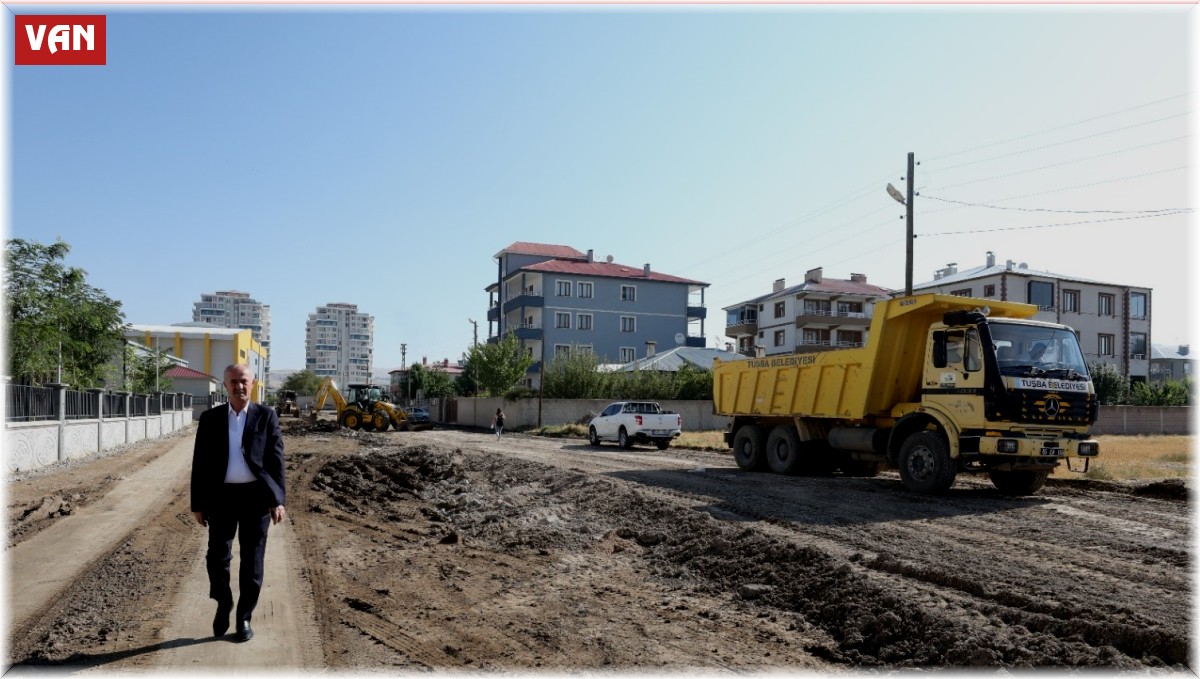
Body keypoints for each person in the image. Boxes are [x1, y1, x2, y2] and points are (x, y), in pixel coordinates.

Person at [191, 364, 286, 643]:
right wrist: (198, 503)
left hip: (256, 498)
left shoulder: (266, 416)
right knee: (216, 558)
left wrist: (277, 500)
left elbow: (276, 461)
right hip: (221, 498)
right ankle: (224, 601)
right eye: (233, 381)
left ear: (252, 384)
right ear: (225, 385)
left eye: (243, 381)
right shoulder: (210, 418)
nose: (238, 386)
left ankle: (244, 616)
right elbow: (200, 463)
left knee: (252, 561)